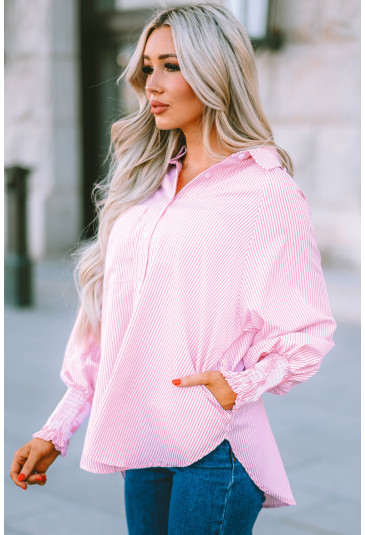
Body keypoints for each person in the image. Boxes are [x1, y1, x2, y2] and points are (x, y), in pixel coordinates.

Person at [10, 3, 337, 534]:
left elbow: (308, 329)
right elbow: (111, 320)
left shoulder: (268, 192)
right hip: (141, 438)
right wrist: (58, 427)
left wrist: (242, 382)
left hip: (214, 446)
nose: (150, 84)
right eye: (146, 67)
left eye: (172, 65)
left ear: (216, 72)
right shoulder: (145, 183)